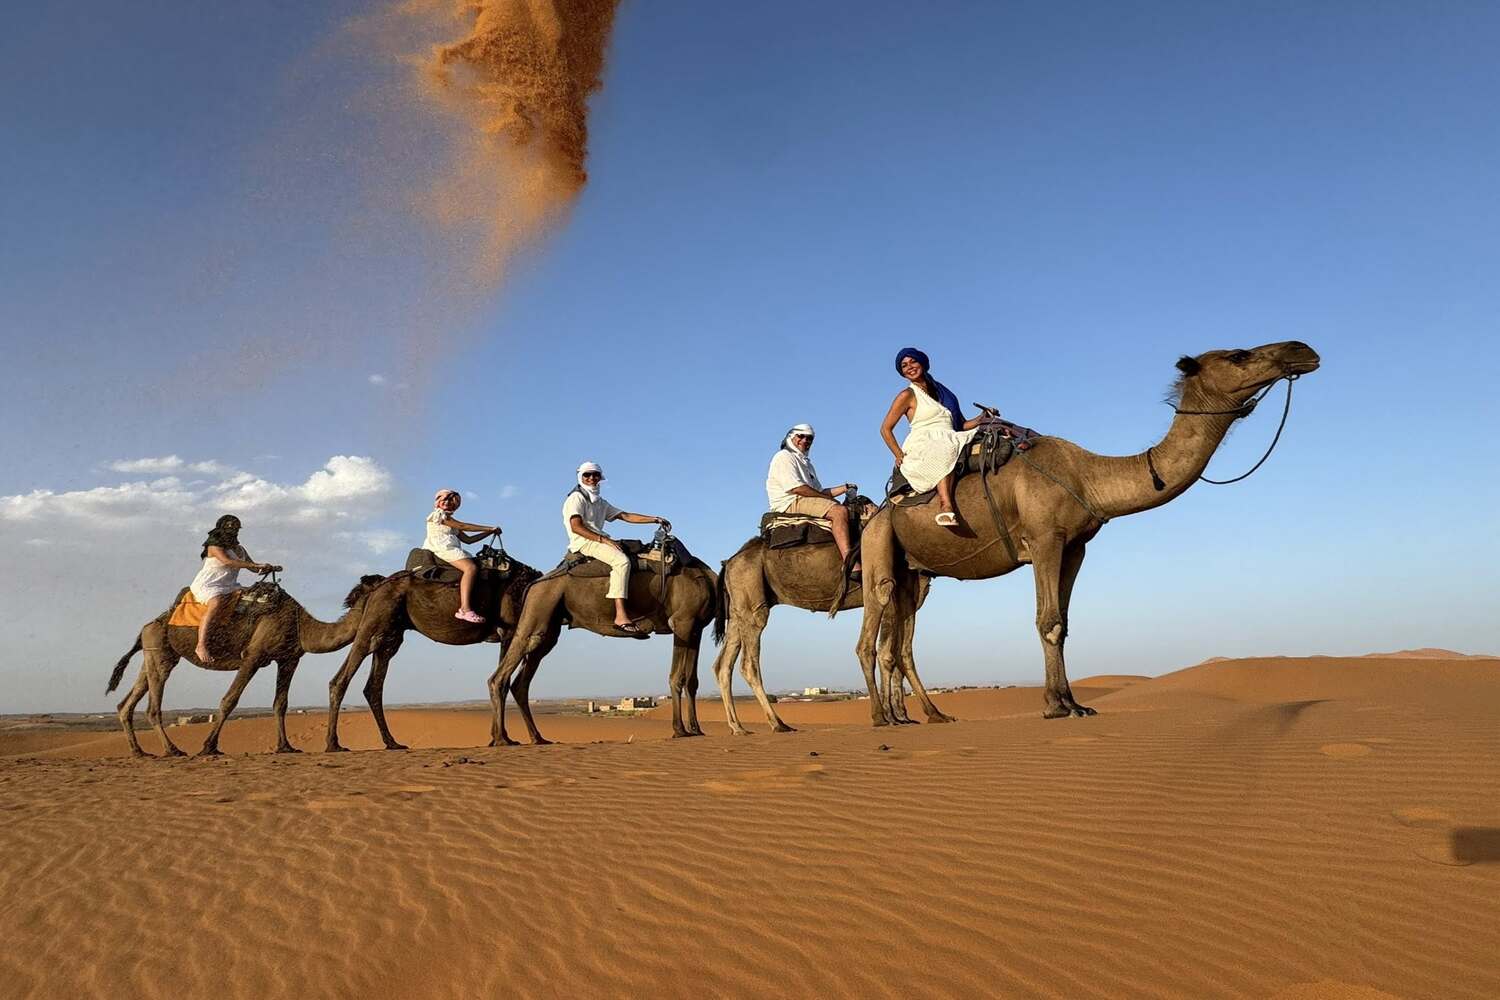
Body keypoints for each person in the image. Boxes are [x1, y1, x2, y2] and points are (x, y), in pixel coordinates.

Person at [881, 347, 993, 526]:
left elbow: (961, 425)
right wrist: (898, 454)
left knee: (992, 435)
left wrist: (983, 418)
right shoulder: (906, 395)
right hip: (924, 440)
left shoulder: (942, 393)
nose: (909, 367)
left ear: (922, 363)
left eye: (913, 362)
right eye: (904, 365)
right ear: (902, 372)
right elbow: (885, 429)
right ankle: (945, 505)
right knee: (944, 448)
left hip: (951, 434)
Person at [563, 462, 670, 635]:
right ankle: (620, 616)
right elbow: (576, 526)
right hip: (583, 542)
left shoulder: (599, 501)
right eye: (587, 475)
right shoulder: (576, 498)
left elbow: (625, 515)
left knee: (638, 552)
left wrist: (655, 519)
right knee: (621, 562)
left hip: (598, 540)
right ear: (580, 477)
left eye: (595, 475)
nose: (591, 478)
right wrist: (602, 539)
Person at [765, 423, 860, 570]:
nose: (805, 440)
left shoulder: (807, 464)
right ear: (791, 437)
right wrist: (829, 500)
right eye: (801, 436)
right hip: (790, 502)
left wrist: (845, 488)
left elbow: (820, 492)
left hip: (804, 498)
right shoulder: (784, 457)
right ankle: (849, 560)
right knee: (839, 511)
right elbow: (798, 488)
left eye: (809, 438)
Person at [189, 514, 279, 663]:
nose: (233, 530)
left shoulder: (240, 549)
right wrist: (255, 566)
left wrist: (267, 567)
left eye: (236, 528)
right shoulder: (214, 546)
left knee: (255, 598)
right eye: (230, 527)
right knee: (216, 603)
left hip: (229, 586)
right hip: (209, 585)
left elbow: (254, 568)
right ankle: (201, 645)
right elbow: (228, 562)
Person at [426, 489, 501, 624]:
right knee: (470, 568)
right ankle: (465, 609)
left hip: (453, 548)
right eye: (445, 500)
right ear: (438, 501)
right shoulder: (438, 515)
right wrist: (488, 528)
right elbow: (463, 526)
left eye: (452, 501)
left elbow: (468, 540)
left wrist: (490, 533)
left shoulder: (450, 519)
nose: (448, 503)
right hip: (442, 548)